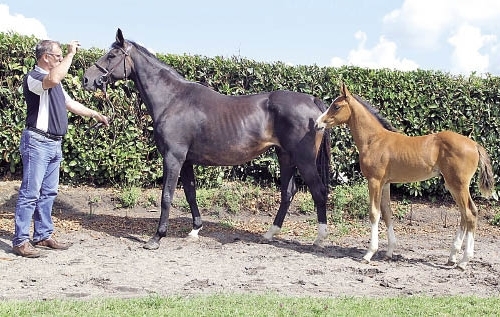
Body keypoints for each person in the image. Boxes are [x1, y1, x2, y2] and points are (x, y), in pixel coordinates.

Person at [12, 39, 109, 258]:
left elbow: (70, 103)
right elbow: (54, 77)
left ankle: (43, 236)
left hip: (53, 143)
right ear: (45, 57)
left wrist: (95, 114)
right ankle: (20, 241)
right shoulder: (35, 78)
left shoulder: (55, 83)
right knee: (30, 193)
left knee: (48, 192)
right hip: (37, 142)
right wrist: (71, 54)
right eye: (56, 56)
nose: (59, 59)